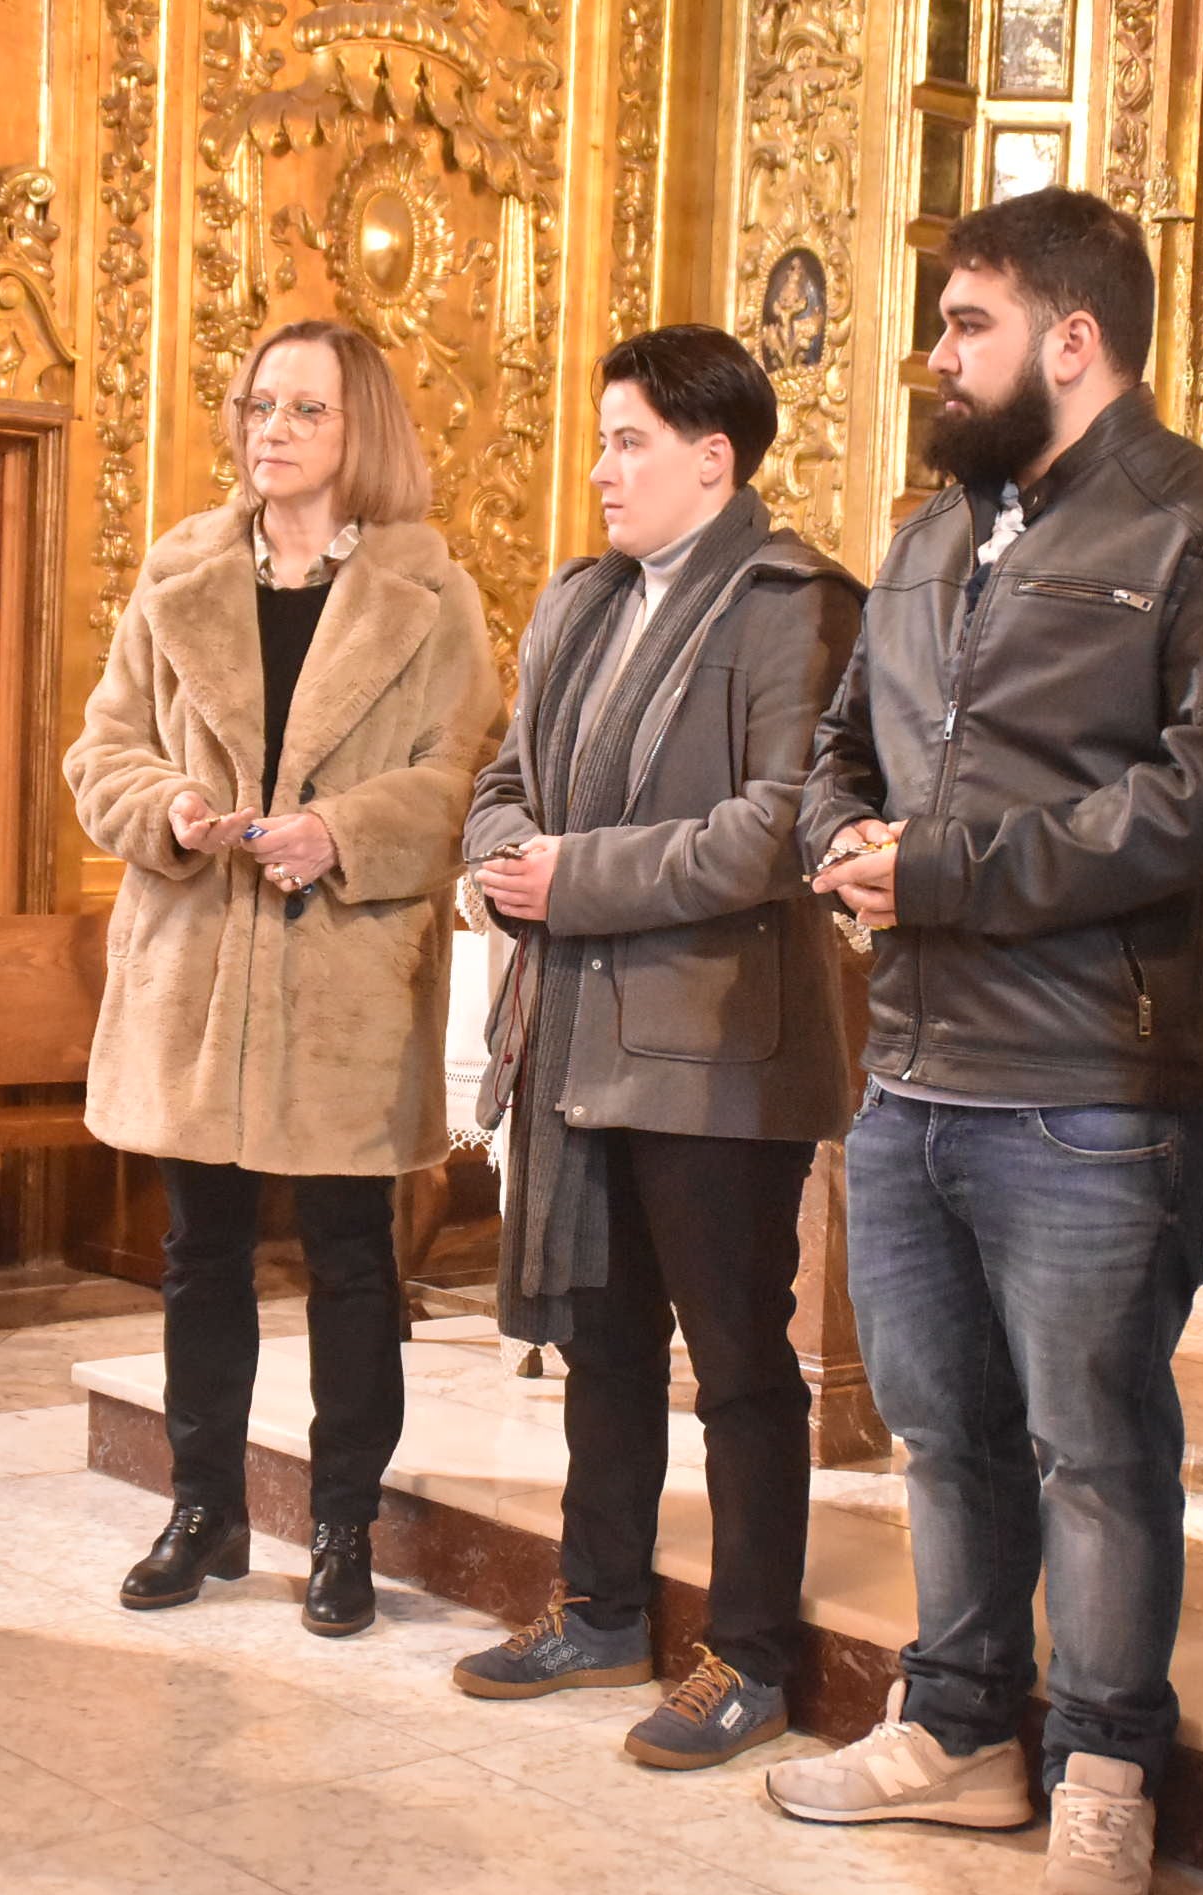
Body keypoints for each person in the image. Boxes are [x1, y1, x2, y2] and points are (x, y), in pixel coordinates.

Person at [768, 187, 1203, 1895]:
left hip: (1093, 1078)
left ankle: (1102, 1771)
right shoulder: (932, 539)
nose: (937, 357)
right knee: (943, 1435)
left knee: (1094, 1446)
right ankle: (953, 1728)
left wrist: (942, 871)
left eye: (965, 323)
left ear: (1070, 341)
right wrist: (841, 835)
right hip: (914, 1068)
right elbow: (836, 742)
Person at [448, 326, 863, 1768]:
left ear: (714, 457)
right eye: (602, 438)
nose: (603, 468)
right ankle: (606, 1606)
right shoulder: (578, 600)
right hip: (579, 1038)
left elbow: (773, 828)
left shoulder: (794, 603)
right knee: (604, 1345)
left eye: (631, 441)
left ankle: (748, 1653)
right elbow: (502, 784)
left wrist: (575, 880)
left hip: (717, 1046)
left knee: (741, 1361)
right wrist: (507, 858)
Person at [66, 318, 501, 1639]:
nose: (273, 431)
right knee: (200, 1255)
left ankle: (343, 1531)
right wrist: (174, 808)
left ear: (360, 428)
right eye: (260, 405)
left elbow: (459, 781)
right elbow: (103, 754)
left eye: (306, 410)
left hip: (344, 978)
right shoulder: (181, 571)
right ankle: (204, 1511)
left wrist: (345, 834)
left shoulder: (435, 594)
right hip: (196, 963)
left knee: (356, 1263)